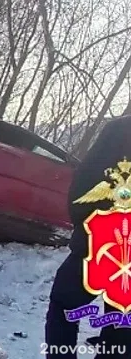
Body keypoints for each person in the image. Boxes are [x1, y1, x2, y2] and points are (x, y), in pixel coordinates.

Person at [45, 116, 131, 358]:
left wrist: (85, 227)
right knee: (123, 326)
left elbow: (83, 187)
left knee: (64, 305)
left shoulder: (121, 130)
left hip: (99, 242)